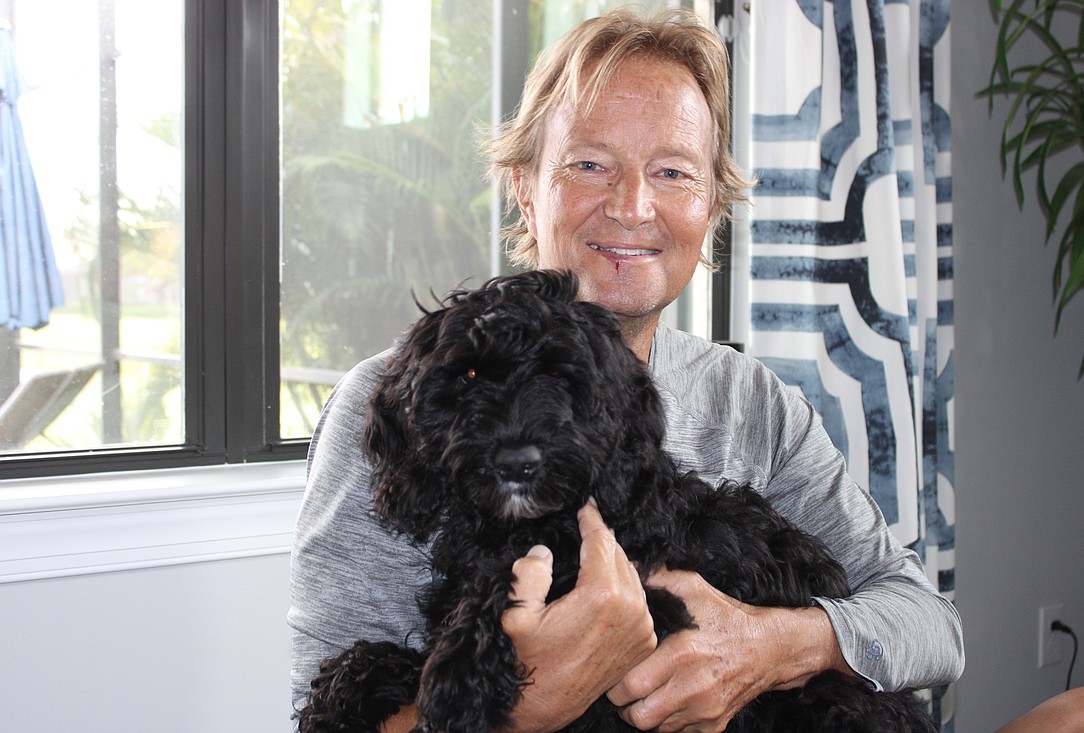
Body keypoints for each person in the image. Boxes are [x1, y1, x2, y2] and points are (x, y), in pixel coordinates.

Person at [288, 8, 965, 732]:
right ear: (525, 187)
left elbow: (932, 626)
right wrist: (528, 707)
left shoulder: (749, 398)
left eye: (673, 172)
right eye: (590, 164)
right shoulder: (404, 402)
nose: (633, 206)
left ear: (710, 205)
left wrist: (770, 646)